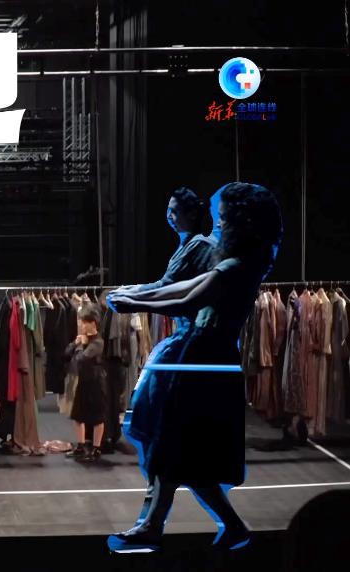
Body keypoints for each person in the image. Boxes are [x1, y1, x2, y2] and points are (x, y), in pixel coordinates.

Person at [106, 182, 283, 552]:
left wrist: (136, 303)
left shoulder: (237, 266)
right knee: (185, 451)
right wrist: (136, 294)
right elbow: (181, 287)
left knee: (173, 444)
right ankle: (222, 526)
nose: (217, 226)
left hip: (203, 359)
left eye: (223, 220)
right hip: (202, 357)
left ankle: (154, 526)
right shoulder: (239, 263)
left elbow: (187, 298)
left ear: (242, 224)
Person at [114, 187, 216, 522]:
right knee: (160, 433)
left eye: (175, 211)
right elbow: (166, 284)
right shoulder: (187, 247)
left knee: (159, 431)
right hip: (181, 343)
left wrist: (136, 298)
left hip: (191, 346)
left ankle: (153, 516)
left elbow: (179, 294)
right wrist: (135, 292)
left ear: (191, 213)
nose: (170, 217)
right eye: (168, 210)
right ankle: (155, 513)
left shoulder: (201, 247)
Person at [64, 303, 108, 463]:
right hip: (83, 382)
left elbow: (83, 358)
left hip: (96, 384)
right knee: (78, 416)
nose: (81, 325)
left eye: (84, 322)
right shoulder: (82, 339)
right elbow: (67, 354)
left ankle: (96, 448)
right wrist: (75, 343)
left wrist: (82, 344)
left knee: (97, 417)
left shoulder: (98, 342)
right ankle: (81, 446)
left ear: (93, 323)